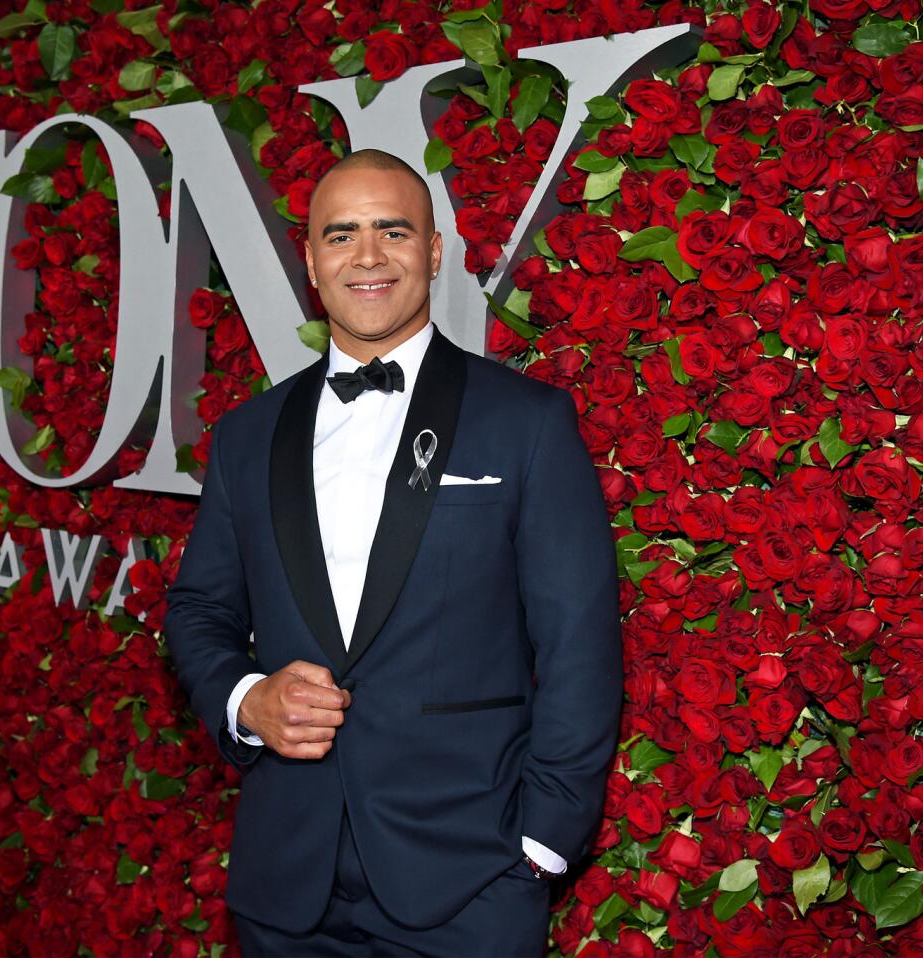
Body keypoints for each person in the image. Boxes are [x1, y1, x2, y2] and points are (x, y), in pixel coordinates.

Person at [164, 148, 621, 956]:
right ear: (309, 260)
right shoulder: (246, 435)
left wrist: (543, 845)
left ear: (434, 251)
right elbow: (200, 609)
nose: (367, 256)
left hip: (470, 885)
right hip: (285, 886)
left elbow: (580, 644)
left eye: (393, 231)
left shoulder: (527, 422)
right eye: (341, 234)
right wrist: (245, 700)